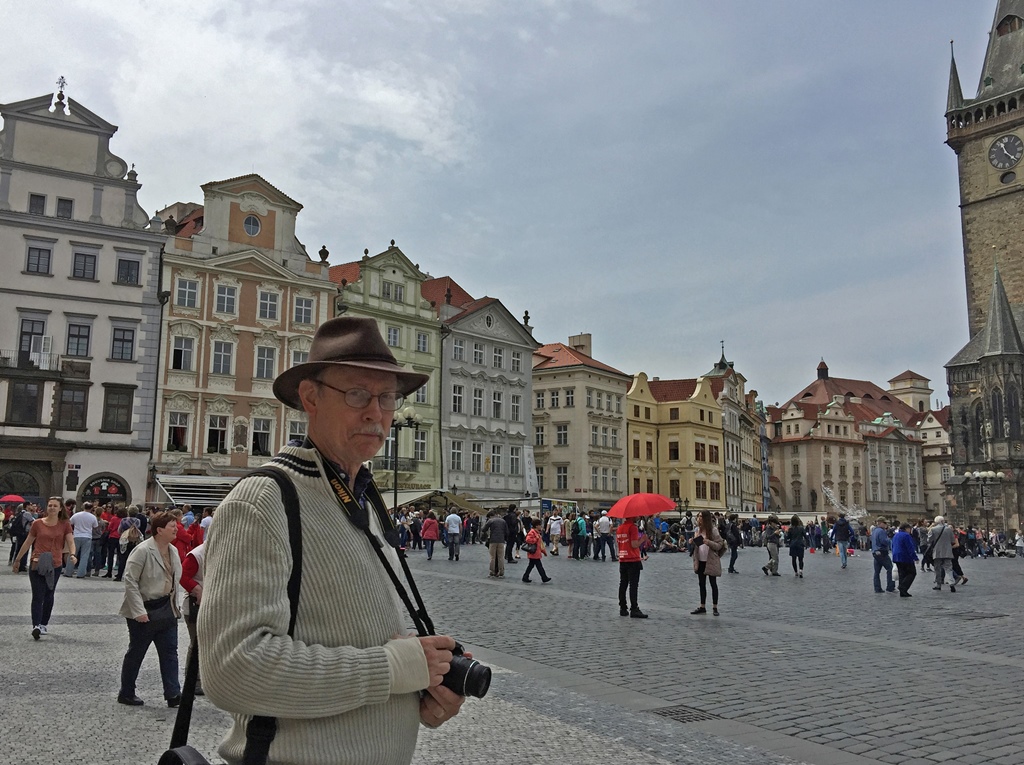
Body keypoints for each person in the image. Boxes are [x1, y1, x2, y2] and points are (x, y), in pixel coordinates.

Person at [198, 317, 466, 765]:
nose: (376, 413)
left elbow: (360, 640)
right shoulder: (265, 500)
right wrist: (391, 670)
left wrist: (422, 688)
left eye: (387, 398)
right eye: (357, 394)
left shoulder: (364, 497)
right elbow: (233, 669)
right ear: (310, 398)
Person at [117, 511, 182, 707]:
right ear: (159, 530)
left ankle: (173, 694)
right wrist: (139, 611)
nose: (176, 528)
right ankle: (126, 692)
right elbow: (130, 580)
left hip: (167, 608)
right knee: (137, 652)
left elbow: (173, 580)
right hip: (145, 609)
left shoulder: (173, 551)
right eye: (172, 525)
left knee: (170, 652)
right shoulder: (143, 550)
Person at [11, 497, 75, 639]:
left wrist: (73, 554)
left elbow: (70, 540)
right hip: (37, 562)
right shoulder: (37, 524)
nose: (52, 508)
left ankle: (44, 623)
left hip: (55, 564)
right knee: (37, 595)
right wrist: (18, 559)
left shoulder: (64, 524)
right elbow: (28, 542)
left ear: (60, 508)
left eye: (55, 506)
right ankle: (36, 625)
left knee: (49, 594)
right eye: (50, 505)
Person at [691, 510, 726, 615]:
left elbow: (719, 544)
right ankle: (702, 606)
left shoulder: (713, 530)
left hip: (710, 560)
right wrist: (693, 542)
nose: (699, 518)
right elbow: (698, 545)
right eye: (698, 516)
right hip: (700, 560)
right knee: (701, 584)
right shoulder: (697, 530)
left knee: (713, 584)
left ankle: (715, 607)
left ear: (705, 518)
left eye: (701, 516)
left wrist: (709, 542)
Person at [616, 515, 648, 618]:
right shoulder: (633, 527)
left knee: (623, 583)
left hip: (622, 557)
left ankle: (623, 607)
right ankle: (634, 608)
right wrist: (642, 539)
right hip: (632, 559)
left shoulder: (620, 528)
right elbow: (634, 544)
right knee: (633, 585)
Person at [928, 516, 959, 592]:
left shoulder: (933, 529)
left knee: (937, 568)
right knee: (948, 568)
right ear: (943, 521)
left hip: (937, 551)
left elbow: (929, 540)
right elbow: (952, 540)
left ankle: (938, 584)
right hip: (947, 551)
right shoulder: (948, 529)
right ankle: (951, 583)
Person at [520, 518, 551, 584]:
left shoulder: (537, 532)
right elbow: (528, 540)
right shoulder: (532, 532)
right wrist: (535, 539)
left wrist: (543, 551)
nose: (541, 526)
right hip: (533, 552)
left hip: (536, 552)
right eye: (540, 525)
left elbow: (540, 544)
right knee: (538, 566)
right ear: (536, 525)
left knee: (531, 566)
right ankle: (544, 577)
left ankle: (525, 577)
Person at [891, 523, 918, 597]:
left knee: (902, 574)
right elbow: (910, 547)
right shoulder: (906, 535)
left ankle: (903, 592)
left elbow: (892, 545)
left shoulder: (896, 535)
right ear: (907, 528)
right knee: (912, 573)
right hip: (905, 557)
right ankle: (903, 587)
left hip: (896, 556)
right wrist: (915, 557)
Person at [870, 517, 896, 594]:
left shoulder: (874, 531)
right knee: (890, 569)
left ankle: (877, 588)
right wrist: (889, 539)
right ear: (881, 523)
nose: (886, 525)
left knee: (877, 572)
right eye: (885, 523)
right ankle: (890, 587)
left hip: (875, 552)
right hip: (882, 552)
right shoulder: (881, 531)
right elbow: (884, 541)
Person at [481, 509, 508, 578]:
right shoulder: (503, 521)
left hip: (493, 540)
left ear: (490, 516)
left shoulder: (490, 521)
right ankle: (501, 571)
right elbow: (507, 531)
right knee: (501, 557)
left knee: (492, 557)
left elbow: (483, 529)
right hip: (501, 540)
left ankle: (492, 571)